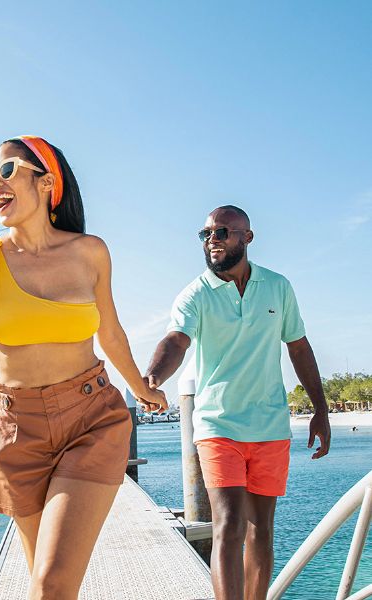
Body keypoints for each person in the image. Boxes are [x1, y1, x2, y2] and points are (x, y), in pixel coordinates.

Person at [0, 135, 167, 600]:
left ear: (47, 182)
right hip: (15, 430)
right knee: (43, 583)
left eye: (5, 171)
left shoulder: (90, 252)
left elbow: (111, 334)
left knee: (50, 584)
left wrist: (141, 388)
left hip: (92, 419)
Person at [144, 205, 331, 600]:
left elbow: (297, 346)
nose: (212, 239)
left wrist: (321, 409)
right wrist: (153, 377)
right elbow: (176, 340)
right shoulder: (195, 292)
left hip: (270, 426)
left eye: (223, 231)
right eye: (206, 233)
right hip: (217, 425)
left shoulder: (278, 287)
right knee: (227, 524)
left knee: (261, 530)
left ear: (247, 237)